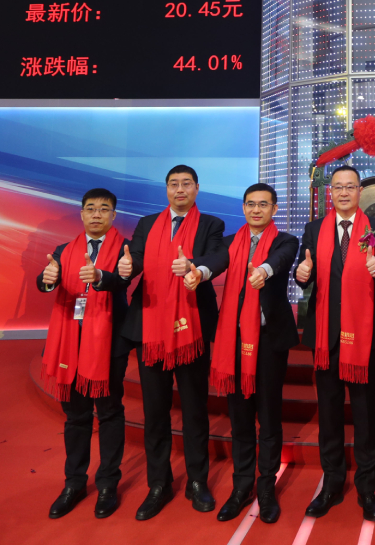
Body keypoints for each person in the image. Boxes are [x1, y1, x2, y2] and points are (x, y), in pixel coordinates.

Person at [117, 165, 229, 521]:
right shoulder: (148, 224)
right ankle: (159, 484)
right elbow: (135, 258)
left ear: (197, 188)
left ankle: (197, 481)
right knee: (155, 412)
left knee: (194, 409)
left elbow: (217, 257)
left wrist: (194, 266)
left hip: (191, 326)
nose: (180, 189)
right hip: (149, 326)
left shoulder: (211, 224)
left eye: (186, 184)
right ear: (166, 189)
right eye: (173, 184)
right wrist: (126, 267)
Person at [295, 165, 375, 523]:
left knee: (365, 413)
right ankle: (332, 483)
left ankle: (366, 488)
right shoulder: (313, 229)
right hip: (326, 335)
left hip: (364, 334)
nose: (344, 192)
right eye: (338, 187)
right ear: (331, 192)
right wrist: (301, 274)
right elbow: (303, 271)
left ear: (360, 190)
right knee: (330, 412)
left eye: (351, 187)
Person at [37, 187, 130, 520]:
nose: (96, 214)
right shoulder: (65, 250)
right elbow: (47, 279)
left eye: (104, 209)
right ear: (82, 213)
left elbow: (122, 281)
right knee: (76, 416)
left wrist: (101, 276)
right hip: (70, 342)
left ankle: (107, 484)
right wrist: (47, 280)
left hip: (109, 343)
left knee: (108, 412)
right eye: (90, 208)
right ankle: (74, 483)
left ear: (113, 215)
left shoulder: (125, 249)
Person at [210, 183, 300, 525]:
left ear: (274, 209)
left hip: (269, 340)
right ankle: (241, 486)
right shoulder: (230, 242)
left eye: (263, 204)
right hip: (233, 340)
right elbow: (215, 262)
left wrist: (262, 270)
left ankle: (266, 488)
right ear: (244, 208)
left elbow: (279, 261)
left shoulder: (285, 241)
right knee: (240, 418)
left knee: (269, 417)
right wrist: (199, 270)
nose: (256, 210)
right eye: (251, 204)